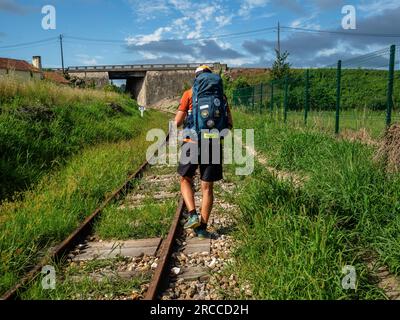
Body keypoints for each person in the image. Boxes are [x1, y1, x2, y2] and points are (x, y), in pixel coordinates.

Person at [174, 65, 233, 239]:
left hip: (191, 142)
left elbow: (178, 121)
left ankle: (192, 214)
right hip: (213, 142)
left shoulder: (188, 93)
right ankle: (202, 228)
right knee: (207, 187)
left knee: (185, 178)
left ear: (196, 78)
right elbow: (229, 123)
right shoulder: (221, 96)